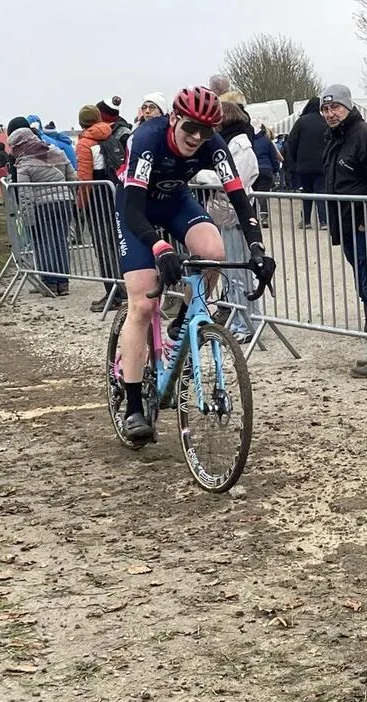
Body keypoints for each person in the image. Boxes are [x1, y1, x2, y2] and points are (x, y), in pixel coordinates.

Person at [115, 86, 275, 443]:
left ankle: (185, 320)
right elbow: (133, 210)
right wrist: (159, 246)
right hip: (135, 209)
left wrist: (257, 248)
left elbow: (239, 200)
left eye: (205, 131)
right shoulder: (147, 139)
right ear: (173, 119)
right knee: (142, 304)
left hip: (175, 202)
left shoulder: (213, 144)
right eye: (190, 128)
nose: (197, 137)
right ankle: (134, 408)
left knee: (214, 251)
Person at [319, 84, 367, 377]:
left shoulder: (366, 135)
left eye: (335, 107)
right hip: (351, 227)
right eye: (325, 109)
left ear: (348, 107)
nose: (330, 113)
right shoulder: (336, 139)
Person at [197, 92, 260, 344]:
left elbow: (236, 180)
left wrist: (201, 175)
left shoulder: (240, 144)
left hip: (236, 214)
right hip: (225, 213)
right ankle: (240, 319)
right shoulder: (229, 143)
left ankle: (246, 323)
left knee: (240, 271)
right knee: (233, 271)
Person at [9, 127, 77, 296]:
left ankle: (50, 282)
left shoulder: (24, 163)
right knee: (61, 241)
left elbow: (25, 194)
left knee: (43, 243)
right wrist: (69, 197)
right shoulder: (57, 152)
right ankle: (63, 282)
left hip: (42, 206)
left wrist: (27, 218)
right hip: (64, 202)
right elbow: (73, 178)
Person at [76, 104, 125, 312]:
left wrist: (80, 205)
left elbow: (85, 177)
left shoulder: (85, 142)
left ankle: (113, 293)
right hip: (115, 194)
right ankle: (123, 288)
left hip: (97, 198)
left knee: (103, 246)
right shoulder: (110, 135)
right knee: (118, 244)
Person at [286, 97, 328, 229]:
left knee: (306, 193)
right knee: (321, 193)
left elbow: (291, 142)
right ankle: (323, 221)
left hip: (303, 165)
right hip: (322, 165)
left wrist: (294, 160)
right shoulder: (325, 122)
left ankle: (306, 221)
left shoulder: (301, 122)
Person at [252, 124, 281, 227]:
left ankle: (253, 217)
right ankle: (264, 217)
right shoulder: (266, 140)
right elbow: (273, 156)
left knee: (252, 195)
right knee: (262, 195)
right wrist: (276, 170)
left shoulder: (248, 140)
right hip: (266, 169)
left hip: (253, 169)